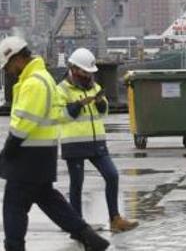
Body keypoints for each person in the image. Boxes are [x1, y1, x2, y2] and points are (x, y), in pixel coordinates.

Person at [0, 36, 110, 251]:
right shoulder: (44, 78)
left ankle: (14, 248)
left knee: (14, 207)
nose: (8, 71)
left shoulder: (33, 83)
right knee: (48, 199)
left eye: (8, 65)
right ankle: (90, 238)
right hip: (42, 152)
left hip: (27, 153)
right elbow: (55, 114)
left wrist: (9, 147)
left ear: (17, 58)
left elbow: (25, 121)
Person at [58, 48, 138, 233]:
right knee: (77, 184)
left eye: (90, 73)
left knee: (112, 175)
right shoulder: (61, 89)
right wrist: (78, 105)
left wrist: (101, 103)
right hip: (74, 143)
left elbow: (103, 112)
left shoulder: (93, 86)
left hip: (97, 142)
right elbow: (59, 115)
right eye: (85, 72)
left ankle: (115, 219)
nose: (88, 76)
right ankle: (77, 224)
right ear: (74, 69)